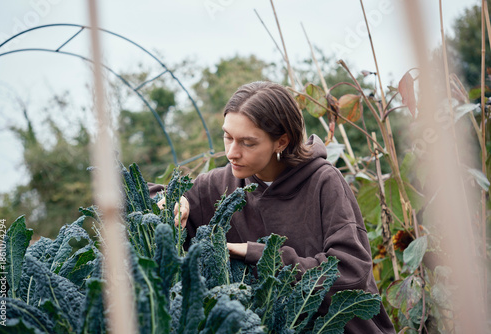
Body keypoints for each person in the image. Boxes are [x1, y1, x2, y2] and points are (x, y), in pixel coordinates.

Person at [149, 81, 395, 333]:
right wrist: (173, 199)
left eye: (247, 142)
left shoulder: (324, 182)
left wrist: (256, 253)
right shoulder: (219, 184)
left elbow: (349, 272)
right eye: (227, 137)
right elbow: (143, 197)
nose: (232, 152)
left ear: (281, 142)